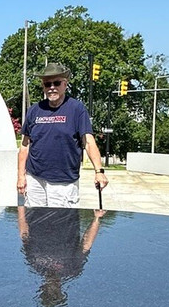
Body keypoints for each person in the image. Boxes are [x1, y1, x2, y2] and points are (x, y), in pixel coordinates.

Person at [17, 63, 108, 207]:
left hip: (64, 183)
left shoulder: (76, 109)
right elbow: (24, 146)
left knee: (63, 227)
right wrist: (21, 176)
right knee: (34, 224)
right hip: (35, 180)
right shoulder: (34, 110)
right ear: (43, 86)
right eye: (47, 84)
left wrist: (99, 171)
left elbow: (88, 142)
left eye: (56, 83)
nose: (52, 87)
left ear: (65, 84)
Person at [17, 206, 103, 307]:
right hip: (67, 206)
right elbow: (86, 244)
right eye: (55, 293)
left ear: (42, 287)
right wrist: (96, 219)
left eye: (48, 292)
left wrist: (20, 202)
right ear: (61, 290)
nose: (52, 289)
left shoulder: (35, 265)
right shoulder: (72, 269)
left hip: (38, 205)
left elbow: (24, 234)